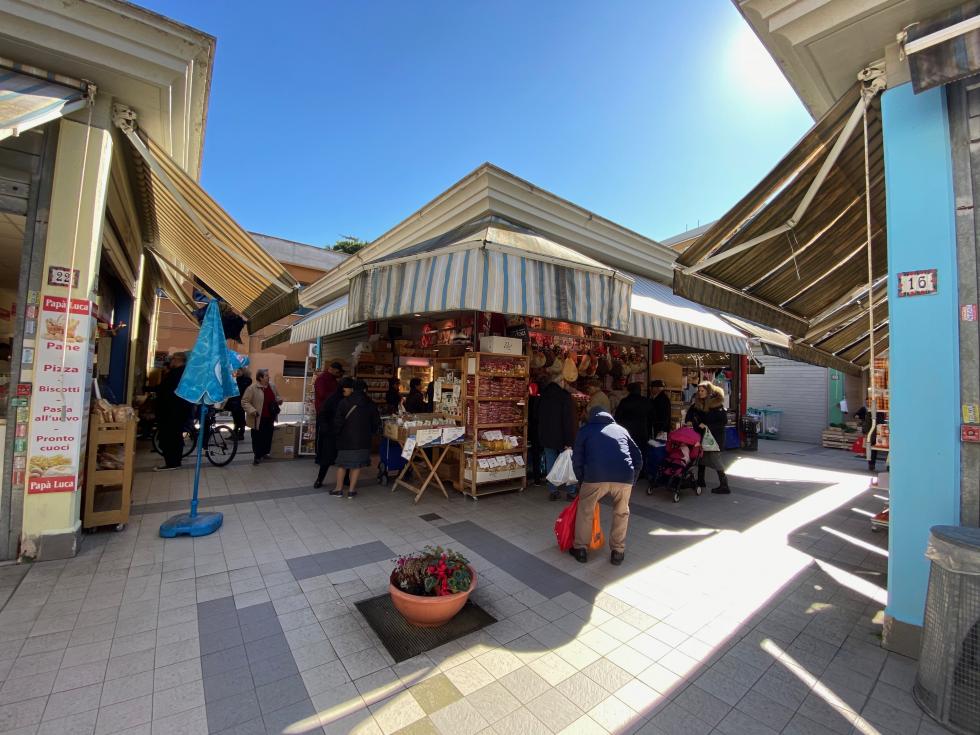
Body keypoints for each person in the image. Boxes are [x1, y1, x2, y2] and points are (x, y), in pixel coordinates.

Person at [569, 407, 642, 566]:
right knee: (621, 513)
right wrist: (632, 480)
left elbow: (577, 459)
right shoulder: (622, 430)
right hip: (624, 476)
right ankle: (618, 551)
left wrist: (583, 480)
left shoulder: (585, 430)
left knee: (586, 510)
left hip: (595, 476)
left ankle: (581, 549)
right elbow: (638, 457)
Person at [333, 378, 380, 498]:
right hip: (363, 440)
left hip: (345, 439)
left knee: (342, 465)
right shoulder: (371, 404)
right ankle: (351, 491)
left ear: (353, 389)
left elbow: (337, 421)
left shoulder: (344, 402)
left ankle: (338, 489)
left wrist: (337, 433)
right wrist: (372, 432)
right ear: (365, 390)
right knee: (356, 465)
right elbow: (376, 423)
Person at [537, 375, 577, 500]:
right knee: (569, 463)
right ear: (561, 381)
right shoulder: (564, 397)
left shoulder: (542, 396)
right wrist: (569, 440)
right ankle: (571, 491)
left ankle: (553, 490)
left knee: (551, 463)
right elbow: (568, 421)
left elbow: (536, 416)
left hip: (547, 436)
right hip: (562, 437)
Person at [685, 381, 730, 494]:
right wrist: (689, 420)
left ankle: (724, 485)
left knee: (715, 459)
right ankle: (701, 481)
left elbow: (723, 422)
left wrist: (707, 426)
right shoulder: (698, 403)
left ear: (708, 391)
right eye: (699, 391)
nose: (700, 393)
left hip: (715, 437)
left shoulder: (717, 404)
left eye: (702, 391)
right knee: (701, 457)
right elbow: (690, 413)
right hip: (702, 435)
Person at [154, 352, 192, 471]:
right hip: (177, 411)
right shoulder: (183, 373)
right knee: (175, 437)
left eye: (172, 359)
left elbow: (168, 391)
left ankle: (172, 462)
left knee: (171, 437)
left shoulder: (177, 373)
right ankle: (175, 461)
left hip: (172, 411)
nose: (171, 361)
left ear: (178, 360)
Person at [242, 369, 282, 465]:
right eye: (266, 376)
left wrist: (279, 400)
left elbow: (277, 396)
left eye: (268, 375)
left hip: (270, 416)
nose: (269, 377)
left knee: (268, 436)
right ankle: (257, 456)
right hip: (258, 418)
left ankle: (265, 453)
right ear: (260, 377)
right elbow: (244, 402)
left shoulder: (272, 386)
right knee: (257, 438)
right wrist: (252, 411)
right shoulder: (252, 388)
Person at [314, 386, 344, 488]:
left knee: (329, 458)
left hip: (333, 432)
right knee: (328, 458)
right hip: (332, 433)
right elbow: (324, 414)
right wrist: (326, 428)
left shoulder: (333, 398)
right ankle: (319, 479)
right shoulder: (335, 399)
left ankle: (319, 480)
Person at [615, 382, 650, 450]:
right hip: (642, 432)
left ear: (629, 391)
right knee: (641, 452)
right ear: (640, 390)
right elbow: (652, 417)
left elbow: (617, 417)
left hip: (628, 432)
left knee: (629, 452)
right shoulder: (646, 401)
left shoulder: (624, 401)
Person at [854, 399, 885, 473]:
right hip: (877, 433)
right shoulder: (880, 412)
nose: (868, 403)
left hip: (872, 434)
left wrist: (864, 431)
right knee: (873, 450)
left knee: (871, 449)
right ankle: (872, 464)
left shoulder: (870, 412)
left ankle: (871, 464)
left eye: (868, 402)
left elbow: (867, 424)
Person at [228, 368, 252, 440]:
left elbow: (241, 390)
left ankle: (241, 434)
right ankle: (234, 433)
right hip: (234, 402)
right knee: (235, 419)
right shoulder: (237, 379)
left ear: (243, 371)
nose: (237, 372)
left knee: (240, 418)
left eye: (239, 371)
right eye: (237, 370)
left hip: (241, 402)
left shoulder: (247, 380)